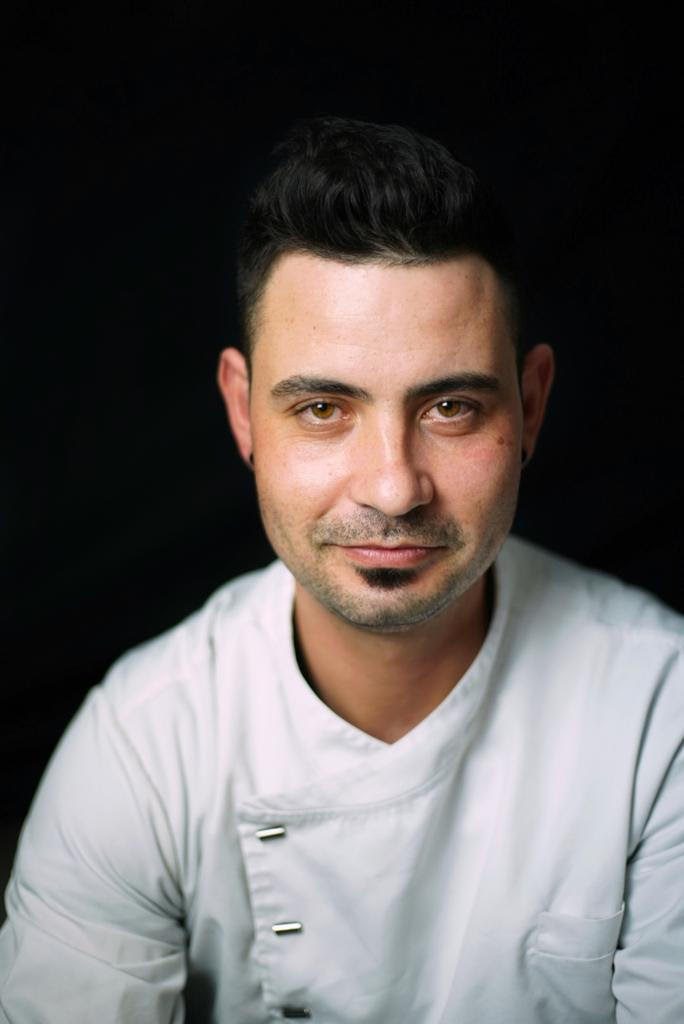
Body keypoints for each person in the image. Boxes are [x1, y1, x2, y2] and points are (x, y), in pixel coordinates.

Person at [0, 117, 682, 1024]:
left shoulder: (661, 715)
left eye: (451, 406)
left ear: (530, 405)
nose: (394, 487)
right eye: (323, 408)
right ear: (243, 412)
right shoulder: (140, 752)